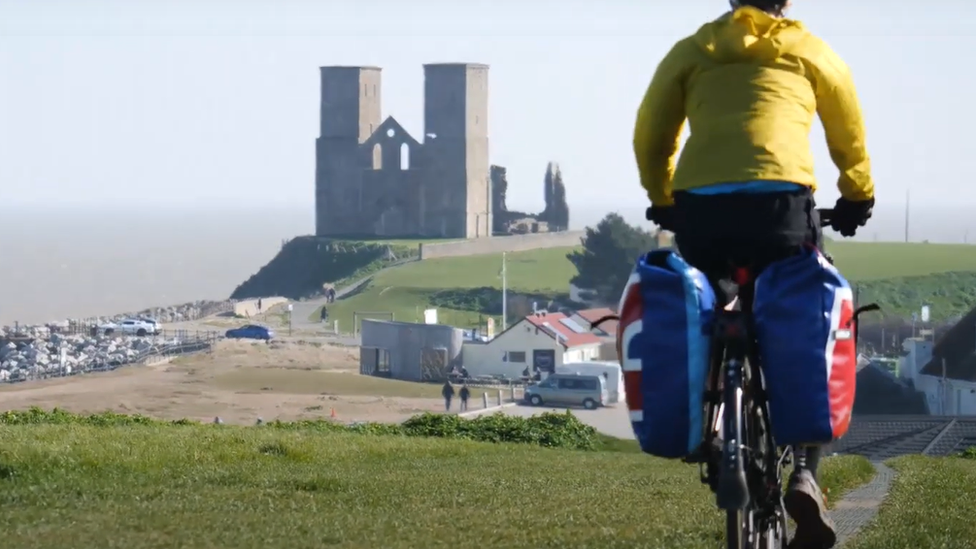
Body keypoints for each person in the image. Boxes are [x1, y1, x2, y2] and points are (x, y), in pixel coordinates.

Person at [632, 1, 874, 548]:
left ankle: (714, 423)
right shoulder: (808, 50)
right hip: (783, 211)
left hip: (702, 213)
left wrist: (662, 197)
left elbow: (652, 134)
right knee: (807, 307)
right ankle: (807, 475)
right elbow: (847, 130)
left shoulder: (693, 51)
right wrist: (857, 195)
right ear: (785, 2)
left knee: (710, 303)